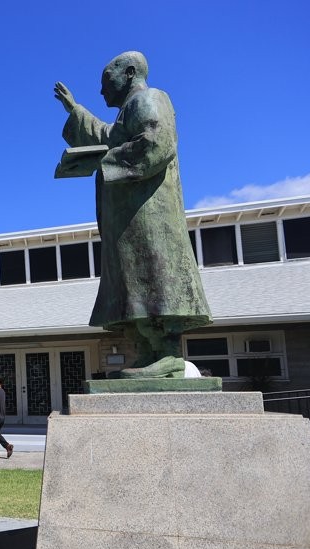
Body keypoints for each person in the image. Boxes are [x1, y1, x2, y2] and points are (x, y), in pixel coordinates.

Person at [54, 51, 211, 376]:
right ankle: (149, 353)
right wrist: (75, 110)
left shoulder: (151, 99)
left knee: (154, 272)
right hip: (129, 216)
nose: (101, 90)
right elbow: (109, 138)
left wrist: (104, 162)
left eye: (105, 81)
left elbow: (155, 145)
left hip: (149, 213)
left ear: (128, 72)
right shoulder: (130, 110)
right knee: (133, 280)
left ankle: (168, 354)